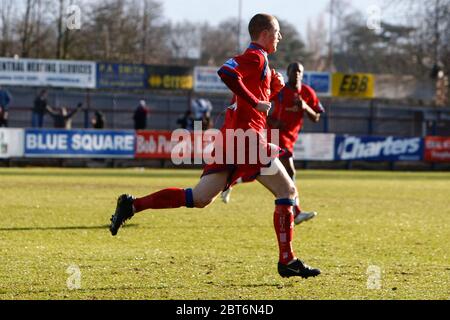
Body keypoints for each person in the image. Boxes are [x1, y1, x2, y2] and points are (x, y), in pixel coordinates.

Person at [109, 13, 320, 279]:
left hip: (233, 139)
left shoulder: (261, 63)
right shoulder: (255, 56)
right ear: (265, 34)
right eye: (277, 32)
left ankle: (132, 205)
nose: (280, 37)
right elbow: (226, 72)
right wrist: (257, 101)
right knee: (287, 189)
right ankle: (288, 260)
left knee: (199, 198)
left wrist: (269, 90)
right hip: (248, 139)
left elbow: (246, 89)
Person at [220, 62, 325, 226]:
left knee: (263, 170)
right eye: (293, 71)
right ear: (288, 72)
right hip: (274, 135)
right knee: (289, 170)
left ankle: (230, 183)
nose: (296, 74)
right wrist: (271, 120)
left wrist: (305, 107)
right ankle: (295, 210)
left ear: (303, 74)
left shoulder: (307, 92)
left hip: (290, 137)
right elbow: (261, 101)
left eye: (299, 71)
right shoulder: (281, 90)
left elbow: (316, 117)